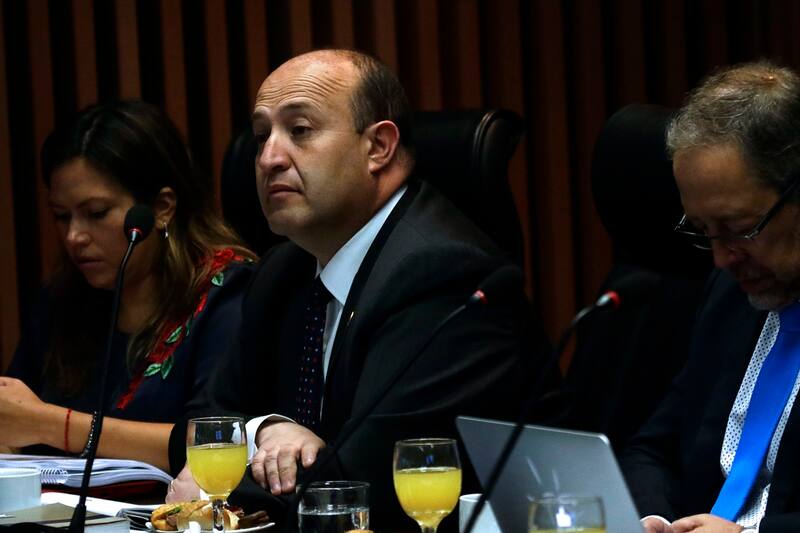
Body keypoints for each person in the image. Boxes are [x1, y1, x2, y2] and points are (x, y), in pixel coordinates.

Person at [167, 49, 555, 529]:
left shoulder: (442, 276)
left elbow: (357, 489)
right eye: (262, 134)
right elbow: (198, 428)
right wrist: (267, 429)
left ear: (379, 147)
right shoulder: (284, 270)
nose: (268, 158)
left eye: (300, 130)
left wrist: (219, 480)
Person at [0, 100, 256, 471]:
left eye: (96, 213)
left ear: (162, 207)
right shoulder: (62, 297)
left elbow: (216, 440)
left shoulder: (228, 292)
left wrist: (55, 426)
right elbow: (14, 419)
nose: (74, 236)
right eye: (62, 216)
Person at [621, 61, 800, 533]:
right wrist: (653, 518)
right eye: (703, 231)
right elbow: (653, 448)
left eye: (739, 229)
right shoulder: (731, 297)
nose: (721, 259)